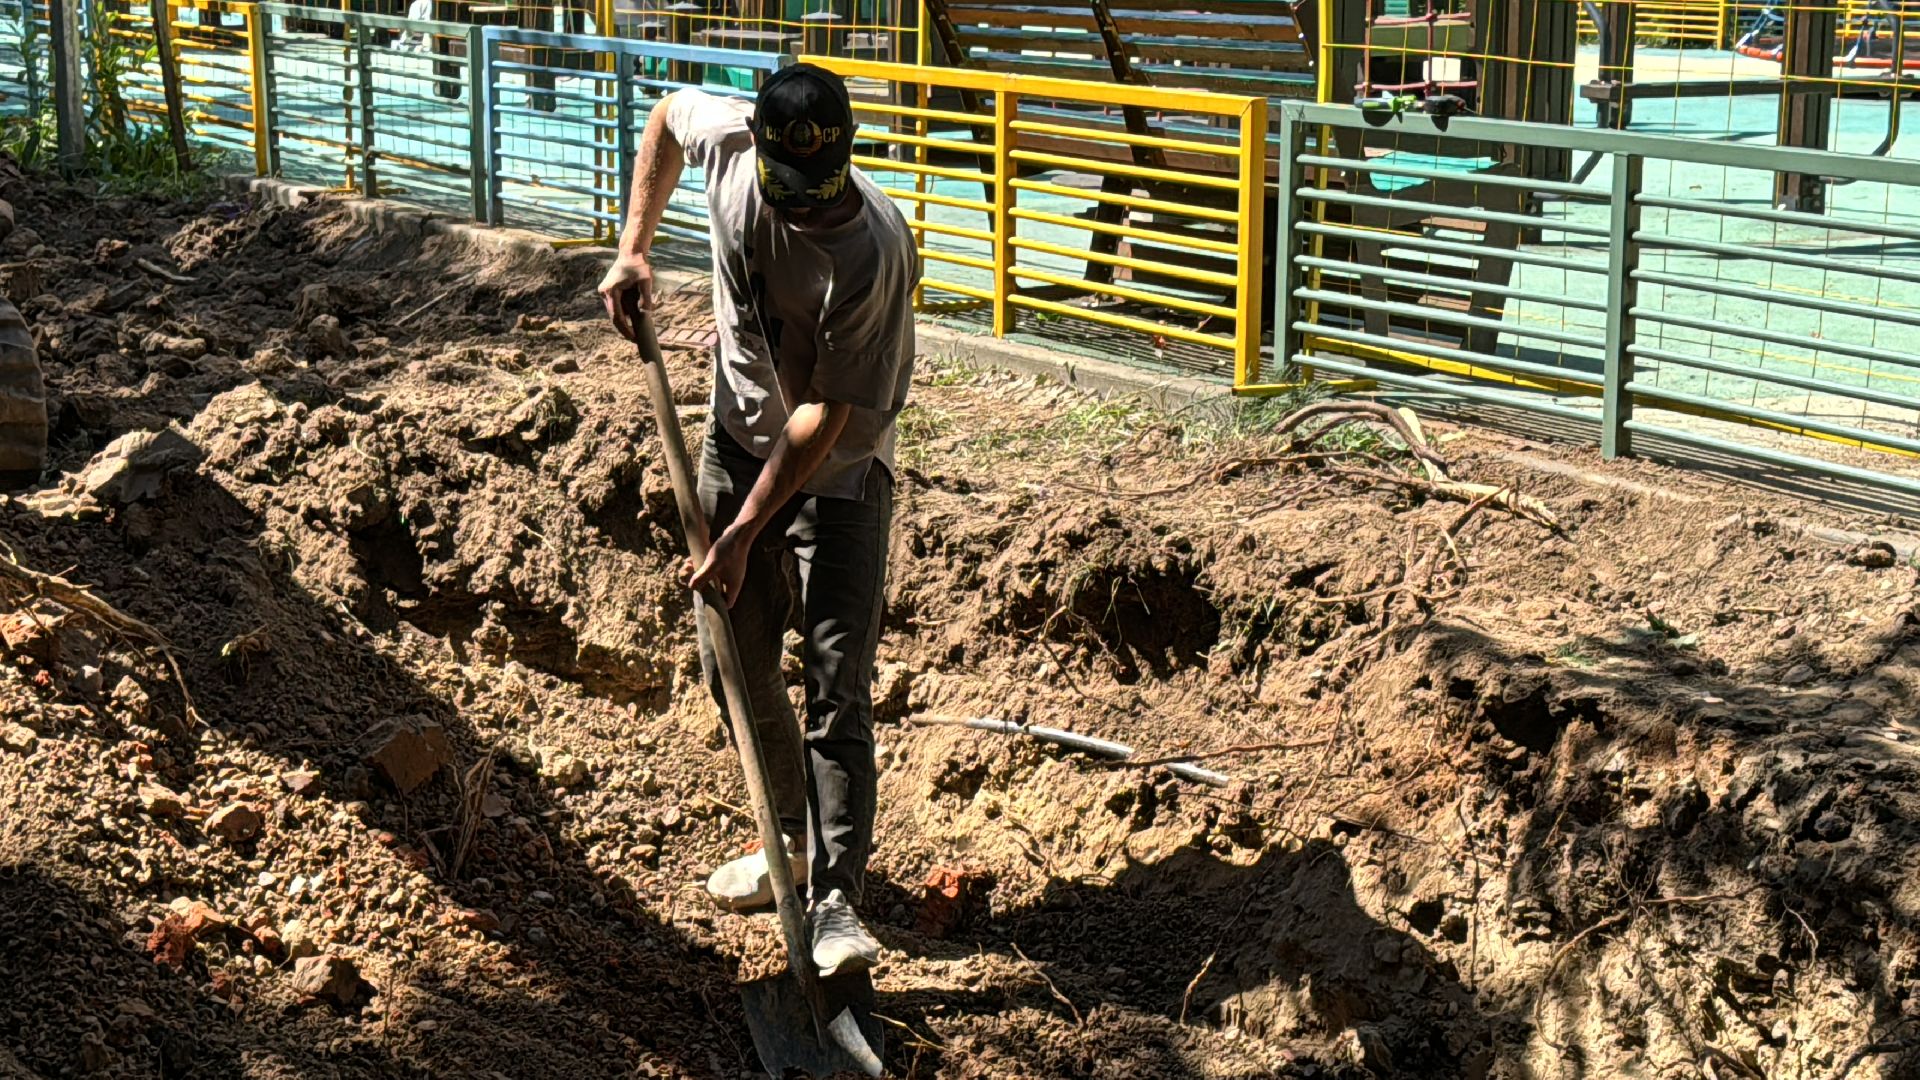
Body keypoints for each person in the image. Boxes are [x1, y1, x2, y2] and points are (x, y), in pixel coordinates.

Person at [597, 65, 918, 978]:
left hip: (842, 470)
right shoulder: (730, 137)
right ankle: (790, 839)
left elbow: (826, 415)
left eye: (821, 197)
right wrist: (635, 247)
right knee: (729, 654)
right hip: (737, 439)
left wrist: (740, 531)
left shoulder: (872, 251)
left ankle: (835, 903)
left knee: (834, 677)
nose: (806, 215)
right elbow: (662, 115)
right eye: (793, 197)